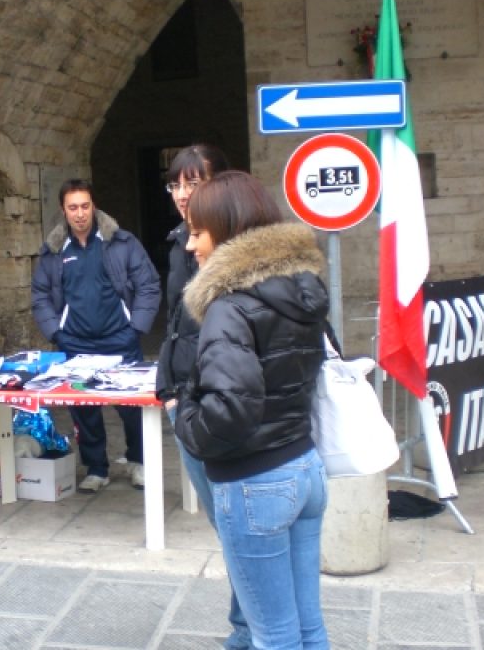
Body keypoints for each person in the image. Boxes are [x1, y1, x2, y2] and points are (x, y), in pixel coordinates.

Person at [175, 170, 330, 649]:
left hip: (255, 482)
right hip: (304, 469)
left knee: (275, 637)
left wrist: (185, 421)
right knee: (307, 628)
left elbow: (230, 409)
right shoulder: (300, 289)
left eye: (197, 233)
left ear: (225, 232)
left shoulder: (229, 304)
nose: (190, 246)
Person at [153, 145, 251, 650]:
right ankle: (247, 627)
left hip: (212, 403)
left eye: (195, 183)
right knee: (225, 526)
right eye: (176, 185)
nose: (184, 195)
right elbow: (177, 320)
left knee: (237, 526)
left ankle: (248, 631)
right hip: (184, 398)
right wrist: (168, 389)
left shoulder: (234, 247)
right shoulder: (179, 243)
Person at [32, 179, 160, 492]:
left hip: (120, 339)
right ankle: (96, 468)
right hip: (75, 343)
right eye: (73, 207)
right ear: (63, 210)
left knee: (131, 407)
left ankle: (138, 461)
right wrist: (56, 333)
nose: (80, 214)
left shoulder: (121, 242)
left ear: (94, 206)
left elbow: (148, 284)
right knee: (84, 410)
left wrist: (137, 328)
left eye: (85, 206)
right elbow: (40, 295)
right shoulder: (53, 251)